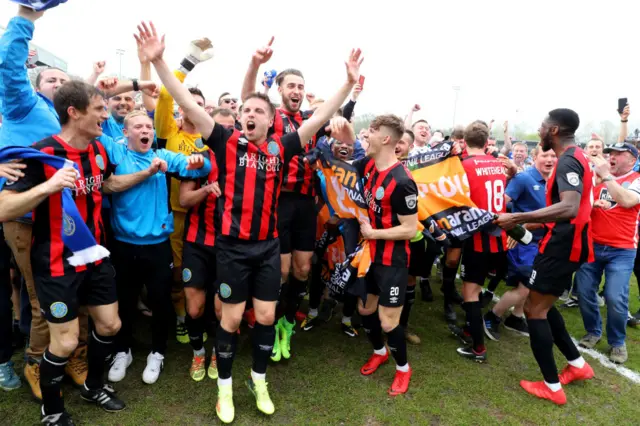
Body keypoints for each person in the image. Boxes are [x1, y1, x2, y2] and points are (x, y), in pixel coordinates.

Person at [136, 21, 362, 423]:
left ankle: (258, 380)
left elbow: (321, 115)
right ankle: (225, 390)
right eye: (246, 110)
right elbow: (186, 103)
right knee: (231, 317)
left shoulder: (282, 147)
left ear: (270, 119)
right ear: (238, 118)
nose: (251, 114)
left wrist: (347, 84)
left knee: (268, 316)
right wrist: (160, 62)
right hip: (233, 250)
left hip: (268, 249)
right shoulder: (224, 142)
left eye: (259, 110)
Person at [0, 4, 155, 400]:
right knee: (48, 318)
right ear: (72, 109)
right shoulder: (31, 128)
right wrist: (26, 18)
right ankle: (46, 383)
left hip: (90, 247)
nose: (108, 115)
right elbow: (6, 205)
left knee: (105, 322)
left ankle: (88, 379)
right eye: (101, 109)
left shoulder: (98, 147)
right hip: (43, 241)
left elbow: (105, 182)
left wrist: (147, 172)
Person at [241, 38, 336, 363]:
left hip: (306, 205)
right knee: (279, 271)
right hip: (278, 201)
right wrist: (254, 65)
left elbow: (330, 114)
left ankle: (285, 322)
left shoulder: (309, 121)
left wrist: (350, 88)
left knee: (302, 267)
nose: (296, 90)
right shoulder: (272, 119)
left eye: (301, 86)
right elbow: (248, 100)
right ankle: (265, 318)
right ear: (280, 90)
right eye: (291, 85)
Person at [495, 108, 595, 406]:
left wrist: (518, 216)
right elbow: (570, 211)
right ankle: (577, 365)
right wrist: (532, 223)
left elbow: (569, 208)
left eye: (541, 126)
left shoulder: (567, 161)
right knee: (544, 303)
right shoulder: (576, 156)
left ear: (553, 130)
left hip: (563, 248)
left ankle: (551, 387)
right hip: (567, 243)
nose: (538, 131)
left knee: (534, 309)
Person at [104, 111, 211, 385]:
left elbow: (199, 168)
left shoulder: (164, 156)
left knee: (160, 300)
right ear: (125, 132)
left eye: (149, 127)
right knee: (125, 300)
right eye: (138, 126)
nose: (145, 131)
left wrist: (199, 161)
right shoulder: (116, 153)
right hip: (123, 244)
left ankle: (157, 352)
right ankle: (122, 350)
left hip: (158, 245)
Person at [154, 38, 213, 345]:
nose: (195, 108)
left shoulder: (212, 138)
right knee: (178, 271)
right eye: (189, 103)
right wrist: (190, 60)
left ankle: (205, 319)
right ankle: (181, 317)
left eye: (201, 105)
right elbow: (165, 94)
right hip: (175, 215)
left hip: (207, 219)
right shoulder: (168, 133)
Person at [354, 115, 418, 396]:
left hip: (392, 260)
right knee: (365, 310)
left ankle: (403, 369)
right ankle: (379, 352)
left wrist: (374, 234)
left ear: (386, 139)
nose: (366, 136)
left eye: (371, 132)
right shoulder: (367, 165)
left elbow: (410, 229)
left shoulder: (403, 181)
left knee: (388, 322)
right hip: (369, 256)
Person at [574, 143, 640, 364]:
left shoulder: (637, 178)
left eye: (619, 154)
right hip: (592, 243)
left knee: (614, 297)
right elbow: (581, 201)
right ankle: (593, 331)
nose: (612, 157)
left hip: (621, 250)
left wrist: (605, 177)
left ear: (632, 159)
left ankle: (617, 342)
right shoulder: (597, 176)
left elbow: (627, 200)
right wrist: (593, 201)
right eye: (611, 153)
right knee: (583, 291)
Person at [483, 144, 557, 341]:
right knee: (525, 286)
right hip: (522, 242)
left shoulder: (555, 181)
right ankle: (492, 316)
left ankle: (516, 317)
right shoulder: (524, 178)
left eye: (553, 156)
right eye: (545, 155)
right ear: (534, 156)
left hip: (543, 242)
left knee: (532, 285)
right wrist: (515, 226)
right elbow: (501, 202)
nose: (549, 159)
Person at [453, 121, 509, 363]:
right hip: (500, 236)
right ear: (487, 142)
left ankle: (478, 348)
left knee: (470, 292)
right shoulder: (498, 164)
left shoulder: (463, 166)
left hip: (478, 238)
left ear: (465, 142)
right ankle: (469, 329)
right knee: (478, 288)